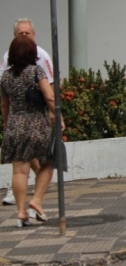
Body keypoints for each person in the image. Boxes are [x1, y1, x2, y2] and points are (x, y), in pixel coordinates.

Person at [1, 36, 60, 227]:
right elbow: (49, 97)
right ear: (32, 53)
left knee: (19, 171)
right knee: (49, 163)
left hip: (15, 125)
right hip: (36, 124)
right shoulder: (36, 71)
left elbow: (4, 104)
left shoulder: (6, 76)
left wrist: (7, 123)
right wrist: (58, 117)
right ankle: (36, 199)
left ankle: (20, 213)